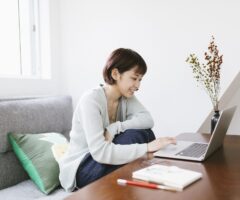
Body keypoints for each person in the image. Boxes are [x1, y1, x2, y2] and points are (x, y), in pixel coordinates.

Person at [59, 48, 177, 192]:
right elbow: (100, 152)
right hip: (82, 168)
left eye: (140, 80)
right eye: (134, 78)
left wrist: (115, 127)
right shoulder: (91, 100)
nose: (138, 86)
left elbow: (147, 119)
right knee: (137, 136)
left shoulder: (126, 97)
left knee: (145, 132)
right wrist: (146, 149)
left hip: (101, 162)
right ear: (115, 74)